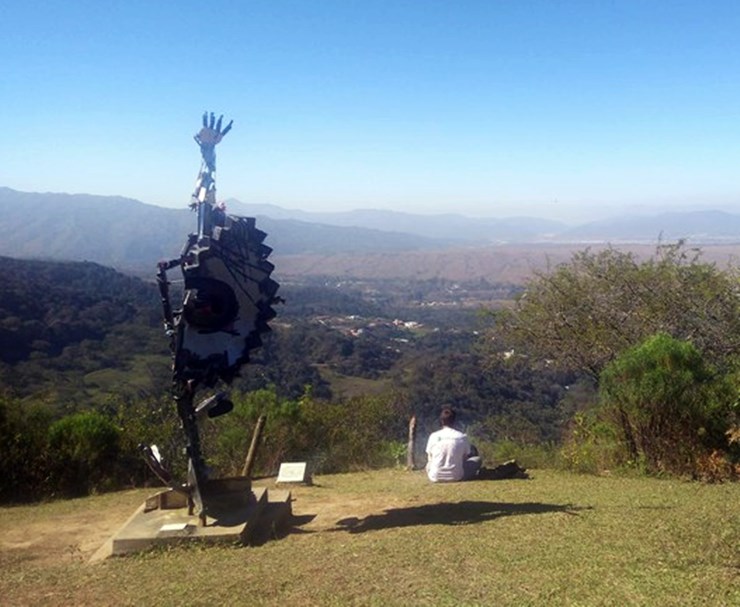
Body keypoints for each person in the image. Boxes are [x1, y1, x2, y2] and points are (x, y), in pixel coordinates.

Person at [425, 407, 482, 482]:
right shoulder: (462, 437)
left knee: (429, 463)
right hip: (456, 476)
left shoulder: (433, 436)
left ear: (441, 421)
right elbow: (465, 457)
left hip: (434, 477)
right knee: (477, 459)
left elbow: (430, 457)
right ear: (454, 421)